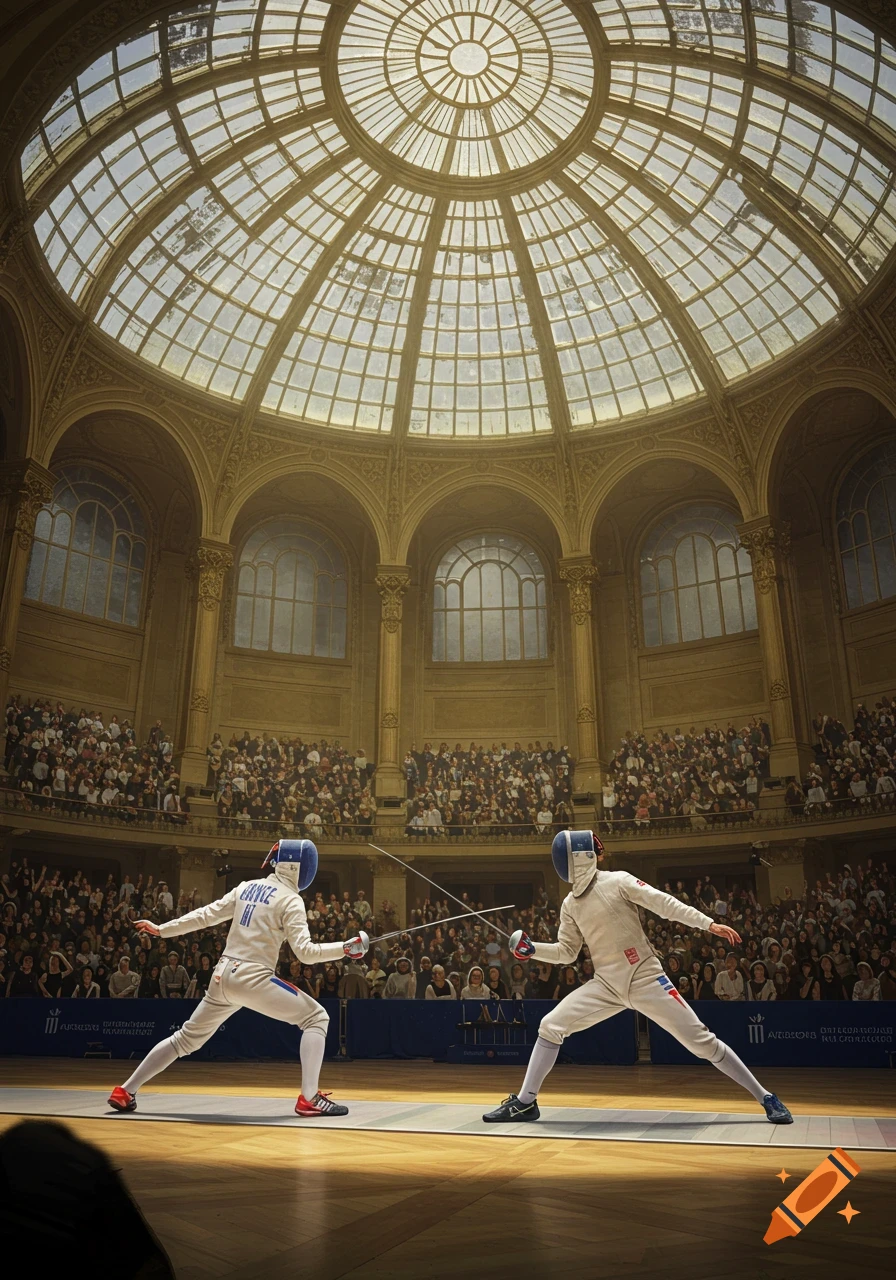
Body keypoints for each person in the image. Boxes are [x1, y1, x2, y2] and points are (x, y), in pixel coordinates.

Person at [483, 830, 792, 1125]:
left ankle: (766, 1097)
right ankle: (526, 1102)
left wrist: (708, 924)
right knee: (551, 1025)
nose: (599, 854)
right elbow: (567, 952)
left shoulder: (618, 881)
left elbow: (663, 903)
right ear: (580, 857)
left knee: (702, 1043)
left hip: (645, 977)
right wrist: (532, 949)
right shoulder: (570, 905)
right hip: (607, 985)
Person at [107, 840, 368, 1118]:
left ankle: (125, 1091)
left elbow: (206, 915)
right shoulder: (291, 900)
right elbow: (305, 953)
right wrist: (344, 948)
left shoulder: (246, 887)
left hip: (222, 977)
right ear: (296, 868)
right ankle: (309, 1098)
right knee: (316, 1018)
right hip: (252, 979)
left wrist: (162, 929)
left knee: (184, 1039)